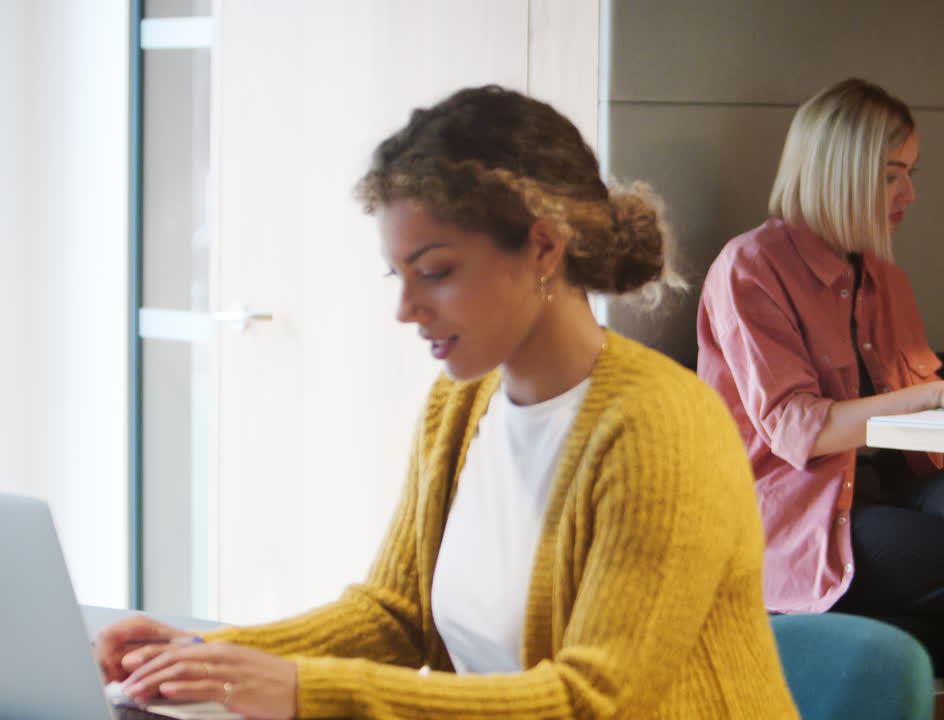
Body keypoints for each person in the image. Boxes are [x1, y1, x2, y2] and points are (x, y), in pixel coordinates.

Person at [96, 85, 800, 720]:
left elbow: (595, 702)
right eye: (398, 274)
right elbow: (395, 617)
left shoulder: (661, 426)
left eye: (435, 272)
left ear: (544, 247)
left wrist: (301, 688)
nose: (407, 309)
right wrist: (203, 655)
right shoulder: (461, 404)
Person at [696, 77, 944, 720]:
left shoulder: (882, 278)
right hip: (797, 522)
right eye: (893, 175)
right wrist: (941, 392)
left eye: (910, 173)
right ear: (842, 171)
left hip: (887, 495)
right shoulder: (749, 268)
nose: (910, 193)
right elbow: (800, 431)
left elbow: (916, 406)